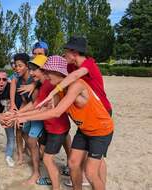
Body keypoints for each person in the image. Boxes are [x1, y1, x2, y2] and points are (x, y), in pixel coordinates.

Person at [11, 56, 114, 190]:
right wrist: (18, 115)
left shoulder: (76, 85)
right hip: (84, 130)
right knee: (72, 163)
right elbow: (43, 108)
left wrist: (24, 118)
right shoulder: (58, 90)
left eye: (48, 72)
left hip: (101, 130)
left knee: (90, 172)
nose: (46, 75)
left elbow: (56, 112)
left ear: (59, 72)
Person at [15, 55, 71, 188]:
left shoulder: (51, 84)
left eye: (35, 69)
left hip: (57, 128)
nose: (32, 72)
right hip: (50, 126)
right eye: (31, 69)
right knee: (45, 155)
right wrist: (18, 114)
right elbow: (37, 104)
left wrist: (23, 116)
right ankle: (52, 177)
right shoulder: (45, 83)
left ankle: (55, 184)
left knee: (47, 157)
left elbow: (43, 110)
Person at [36, 36, 112, 116]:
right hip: (88, 109)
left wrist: (53, 93)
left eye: (66, 51)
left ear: (74, 53)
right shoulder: (71, 66)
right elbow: (54, 71)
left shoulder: (89, 63)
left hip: (103, 109)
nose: (64, 54)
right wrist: (34, 84)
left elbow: (75, 75)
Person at [9, 53, 36, 165]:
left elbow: (35, 102)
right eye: (16, 65)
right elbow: (12, 88)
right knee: (18, 128)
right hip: (24, 104)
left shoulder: (33, 77)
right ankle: (20, 155)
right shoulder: (16, 77)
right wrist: (13, 105)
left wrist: (20, 113)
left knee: (31, 134)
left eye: (20, 65)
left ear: (27, 66)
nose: (17, 68)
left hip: (35, 106)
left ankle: (31, 150)